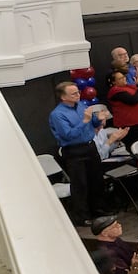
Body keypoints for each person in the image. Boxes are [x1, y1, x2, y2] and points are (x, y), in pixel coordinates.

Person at [49, 81, 113, 224]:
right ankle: (82, 217)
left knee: (96, 180)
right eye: (74, 93)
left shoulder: (81, 106)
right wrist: (85, 121)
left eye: (78, 92)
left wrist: (98, 119)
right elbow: (68, 134)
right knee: (80, 184)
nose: (78, 95)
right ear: (63, 97)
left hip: (90, 146)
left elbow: (92, 124)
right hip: (74, 151)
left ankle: (99, 210)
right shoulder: (57, 114)